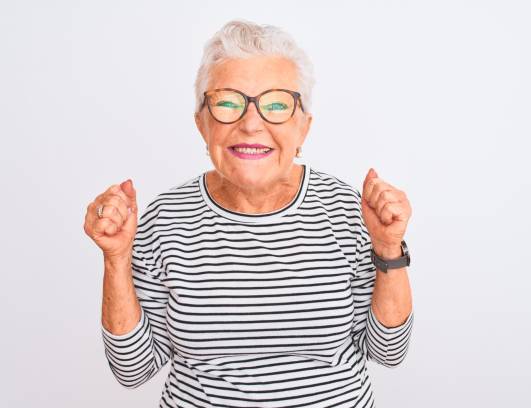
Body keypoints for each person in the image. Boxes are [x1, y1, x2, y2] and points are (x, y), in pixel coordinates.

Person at [84, 19, 414, 408]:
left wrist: (389, 248)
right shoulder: (164, 220)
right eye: (227, 103)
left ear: (303, 128)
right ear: (201, 125)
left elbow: (388, 352)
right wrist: (116, 257)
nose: (251, 124)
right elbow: (133, 370)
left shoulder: (347, 211)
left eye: (276, 105)